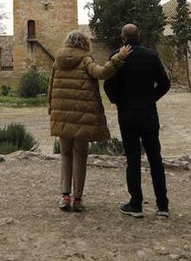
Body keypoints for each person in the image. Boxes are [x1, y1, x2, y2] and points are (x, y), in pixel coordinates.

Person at [48, 30, 132, 212]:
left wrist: (51, 110)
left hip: (61, 115)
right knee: (80, 156)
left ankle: (64, 196)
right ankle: (77, 199)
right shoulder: (86, 60)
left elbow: (51, 86)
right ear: (85, 43)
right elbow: (101, 73)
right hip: (82, 117)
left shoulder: (57, 61)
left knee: (65, 155)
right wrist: (119, 58)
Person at [103, 23, 172, 218]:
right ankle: (162, 205)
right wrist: (151, 98)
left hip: (127, 114)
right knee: (155, 159)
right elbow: (165, 84)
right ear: (139, 36)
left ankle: (136, 204)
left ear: (122, 37)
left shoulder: (117, 56)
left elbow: (109, 84)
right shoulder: (152, 56)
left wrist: (118, 101)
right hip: (148, 113)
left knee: (132, 159)